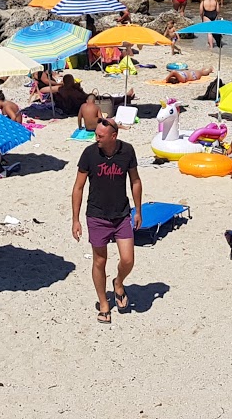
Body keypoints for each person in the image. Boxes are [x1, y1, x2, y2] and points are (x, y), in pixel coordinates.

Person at [71, 117, 142, 324]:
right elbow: (78, 187)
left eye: (100, 136)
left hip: (121, 214)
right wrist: (75, 220)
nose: (96, 139)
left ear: (114, 136)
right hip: (97, 215)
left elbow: (135, 181)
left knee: (128, 259)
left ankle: (118, 283)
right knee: (99, 261)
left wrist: (138, 210)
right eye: (96, 135)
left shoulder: (127, 151)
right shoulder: (89, 154)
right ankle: (103, 303)